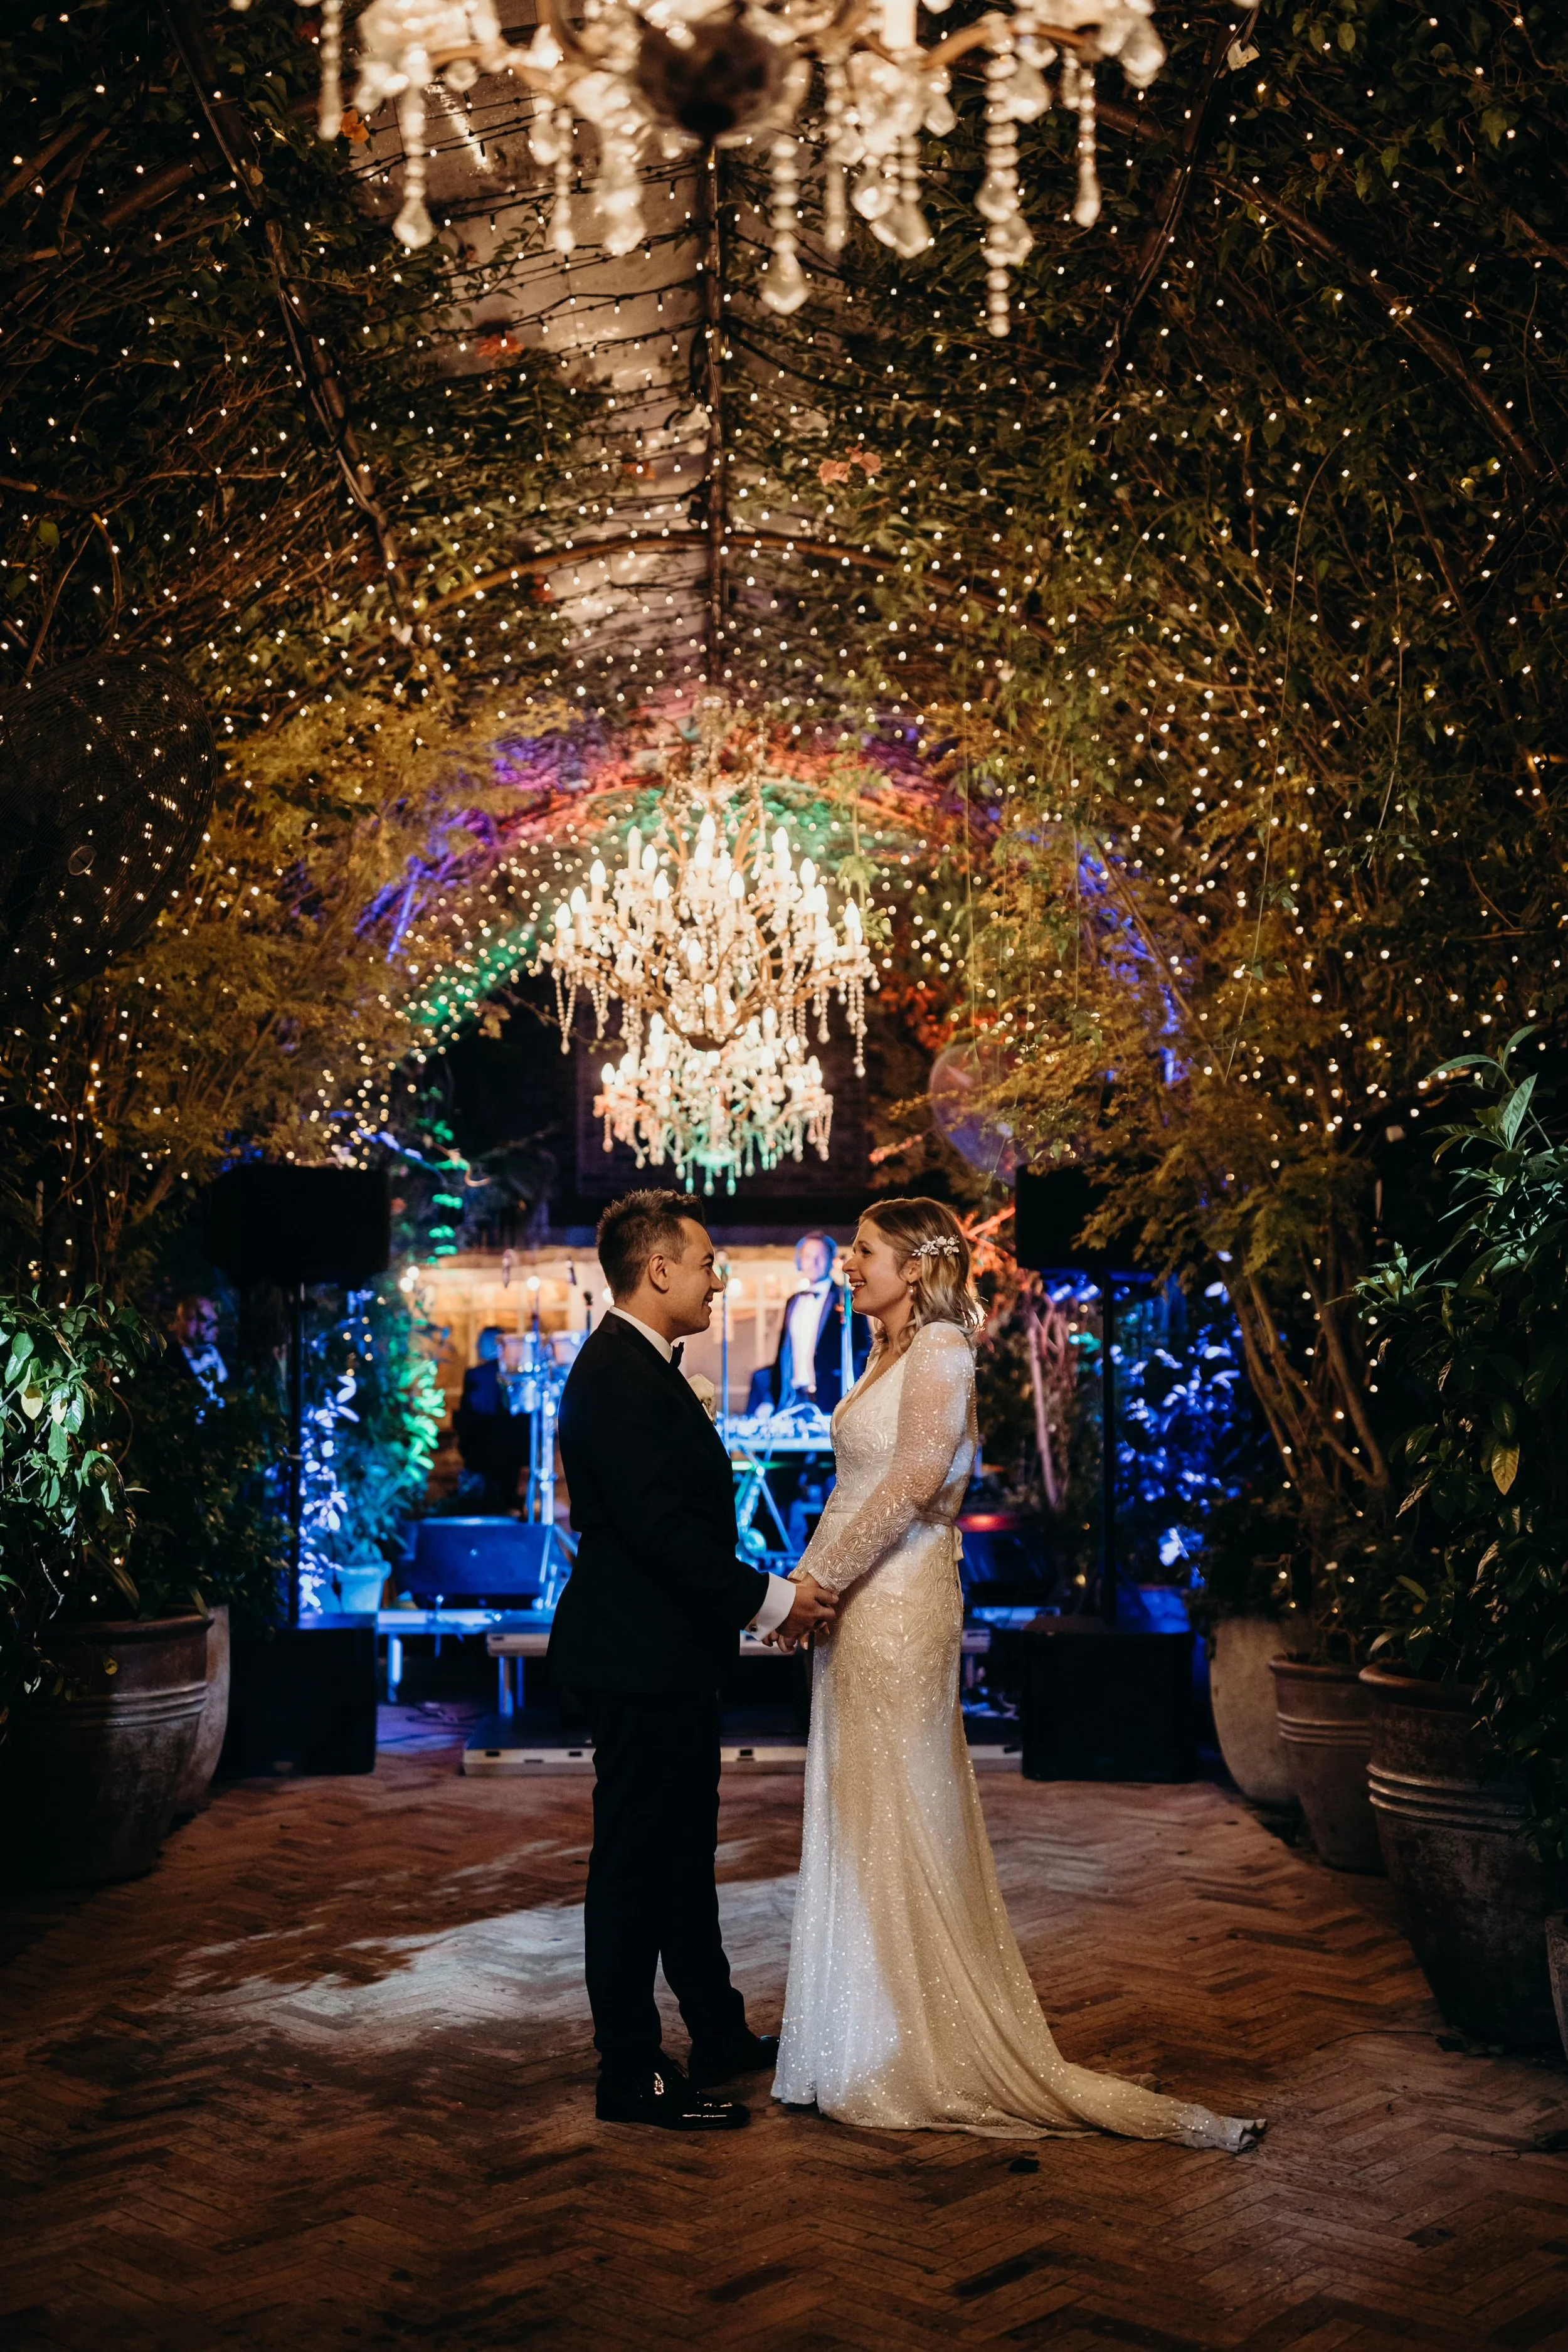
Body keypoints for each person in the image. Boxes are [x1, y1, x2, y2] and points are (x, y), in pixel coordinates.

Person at [772, 1195, 1264, 2154]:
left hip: (902, 1598)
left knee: (900, 1803)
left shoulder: (944, 1349)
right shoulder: (882, 1352)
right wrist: (805, 1587)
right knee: (858, 1802)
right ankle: (853, 2036)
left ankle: (914, 2045)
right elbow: (853, 1486)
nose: (847, 1267)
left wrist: (820, 1580)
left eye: (863, 1252)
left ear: (914, 1266)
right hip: (857, 1602)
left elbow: (914, 1483)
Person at [550, 1189, 838, 2132]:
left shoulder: (646, 1369)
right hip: (637, 1657)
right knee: (636, 1862)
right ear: (660, 1269)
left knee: (681, 1856)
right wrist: (774, 1600)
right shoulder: (616, 1377)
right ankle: (628, 2070)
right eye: (709, 1260)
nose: (722, 1275)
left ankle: (716, 2028)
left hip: (668, 1655)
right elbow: (662, 1532)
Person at [747, 1229, 869, 1415]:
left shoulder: (846, 1299)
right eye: (808, 1256)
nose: (814, 1262)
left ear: (830, 1260)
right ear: (800, 1261)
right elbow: (783, 1352)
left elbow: (862, 1349)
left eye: (820, 1256)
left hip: (831, 1396)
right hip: (792, 1396)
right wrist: (772, 1397)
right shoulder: (793, 1301)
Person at [455, 1325, 529, 1511]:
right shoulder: (513, 1376)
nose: (477, 1348)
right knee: (506, 1497)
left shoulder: (475, 1375)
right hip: (509, 1449)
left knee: (482, 1499)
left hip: (480, 1448)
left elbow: (468, 1413)